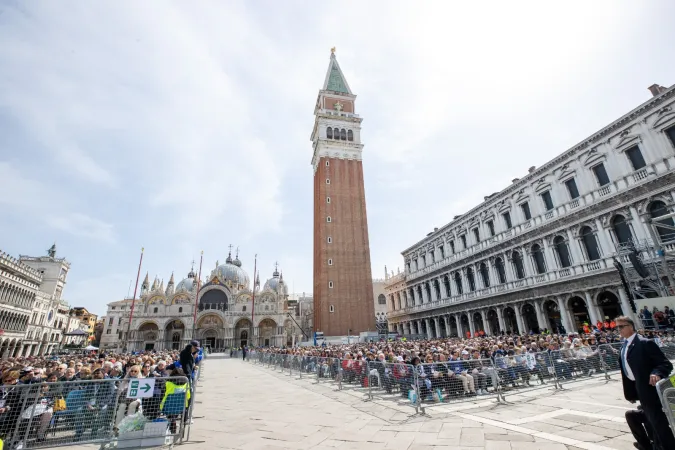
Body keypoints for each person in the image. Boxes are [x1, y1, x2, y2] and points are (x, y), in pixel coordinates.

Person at [616, 315, 675, 450]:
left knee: (658, 425)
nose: (618, 330)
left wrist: (656, 373)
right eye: (617, 327)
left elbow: (665, 364)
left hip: (650, 390)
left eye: (621, 326)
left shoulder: (644, 343)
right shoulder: (623, 346)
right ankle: (647, 445)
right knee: (634, 417)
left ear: (630, 326)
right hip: (638, 390)